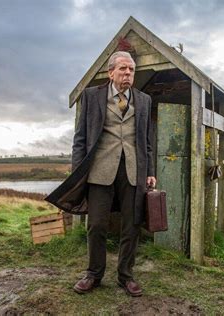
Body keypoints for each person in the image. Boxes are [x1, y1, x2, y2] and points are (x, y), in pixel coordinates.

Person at [59, 51, 156, 297]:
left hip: (133, 170)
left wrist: (150, 171)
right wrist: (77, 171)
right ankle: (94, 274)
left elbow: (147, 141)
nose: (127, 74)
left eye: (131, 70)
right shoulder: (91, 96)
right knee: (97, 224)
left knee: (132, 225)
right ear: (111, 72)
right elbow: (80, 138)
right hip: (99, 170)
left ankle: (126, 276)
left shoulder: (144, 100)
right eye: (123, 69)